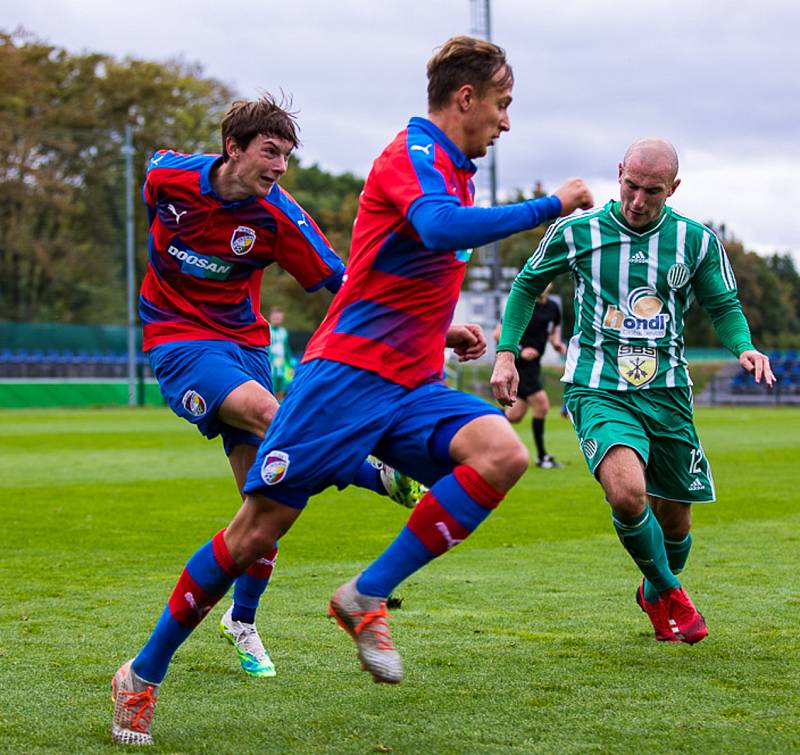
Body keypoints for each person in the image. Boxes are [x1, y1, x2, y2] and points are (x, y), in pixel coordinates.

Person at [110, 36, 593, 745]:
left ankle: (363, 594)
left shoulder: (446, 174)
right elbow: (434, 227)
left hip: (404, 379)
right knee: (253, 532)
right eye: (503, 104)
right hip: (334, 378)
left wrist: (447, 327)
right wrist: (549, 204)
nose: (507, 122)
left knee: (502, 453)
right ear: (467, 98)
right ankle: (142, 674)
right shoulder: (413, 156)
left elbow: (352, 272)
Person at [127, 97, 421, 697]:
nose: (281, 165)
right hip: (178, 339)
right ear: (232, 148)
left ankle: (242, 622)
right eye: (270, 151)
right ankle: (374, 470)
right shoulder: (167, 175)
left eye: (287, 155)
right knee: (271, 415)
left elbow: (344, 284)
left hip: (247, 347)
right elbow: (156, 187)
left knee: (262, 510)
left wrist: (426, 326)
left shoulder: (280, 218)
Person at [492, 137, 774, 646]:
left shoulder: (696, 241)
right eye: (630, 185)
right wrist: (507, 351)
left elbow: (724, 305)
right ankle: (671, 591)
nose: (637, 200)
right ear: (618, 172)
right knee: (626, 492)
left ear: (674, 188)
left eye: (652, 191)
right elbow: (526, 286)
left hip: (667, 392)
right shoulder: (577, 232)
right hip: (598, 385)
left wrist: (744, 347)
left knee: (676, 523)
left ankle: (653, 588)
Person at [492, 283, 567, 468]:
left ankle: (479, 419)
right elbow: (497, 334)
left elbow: (553, 333)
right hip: (518, 365)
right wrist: (521, 349)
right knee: (542, 405)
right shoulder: (522, 303)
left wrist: (557, 345)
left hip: (535, 366)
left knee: (514, 416)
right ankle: (542, 457)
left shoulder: (553, 307)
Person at [267, 306, 294, 399]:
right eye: (275, 318)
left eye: (279, 318)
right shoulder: (267, 330)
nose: (277, 320)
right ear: (271, 317)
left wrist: (290, 366)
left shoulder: (283, 332)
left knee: (282, 392)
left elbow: (287, 350)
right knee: (270, 392)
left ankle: (280, 411)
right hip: (270, 368)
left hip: (281, 369)